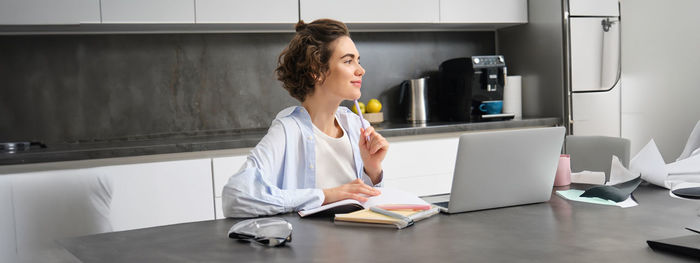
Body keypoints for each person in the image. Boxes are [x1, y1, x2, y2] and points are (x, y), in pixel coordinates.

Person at [222, 19, 390, 218]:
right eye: (347, 61)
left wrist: (373, 171)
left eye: (358, 60)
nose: (360, 70)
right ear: (316, 71)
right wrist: (325, 196)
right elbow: (235, 197)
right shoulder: (287, 131)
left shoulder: (355, 125)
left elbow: (365, 203)